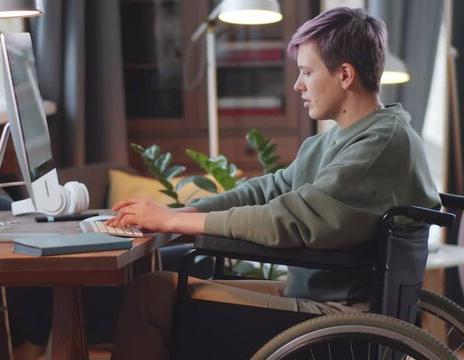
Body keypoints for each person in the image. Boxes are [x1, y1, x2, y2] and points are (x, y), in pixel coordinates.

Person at [109, 7, 440, 359]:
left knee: (152, 297)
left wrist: (175, 222)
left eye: (307, 72)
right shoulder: (338, 140)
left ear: (344, 74)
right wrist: (185, 211)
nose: (298, 85)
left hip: (341, 317)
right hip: (318, 296)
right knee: (159, 289)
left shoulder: (380, 143)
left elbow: (288, 218)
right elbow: (269, 190)